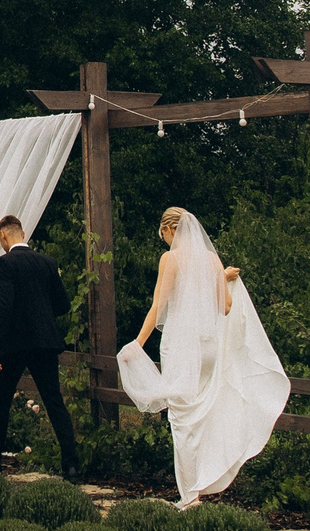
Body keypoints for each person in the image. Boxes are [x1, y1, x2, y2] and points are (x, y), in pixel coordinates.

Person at [116, 206, 290, 507]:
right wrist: (222, 277)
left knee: (182, 418)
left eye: (163, 235)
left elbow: (159, 306)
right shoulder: (211, 261)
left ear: (170, 230)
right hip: (208, 348)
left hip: (182, 347)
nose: (165, 241)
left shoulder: (170, 259)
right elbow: (225, 305)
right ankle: (201, 482)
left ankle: (190, 496)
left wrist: (138, 344)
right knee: (202, 413)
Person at [0, 212, 81, 479]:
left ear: (3, 235)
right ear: (23, 234)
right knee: (54, 402)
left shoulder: (4, 263)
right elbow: (62, 303)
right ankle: (71, 465)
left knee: (1, 402)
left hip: (13, 344)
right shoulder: (47, 262)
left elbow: (4, 306)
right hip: (44, 342)